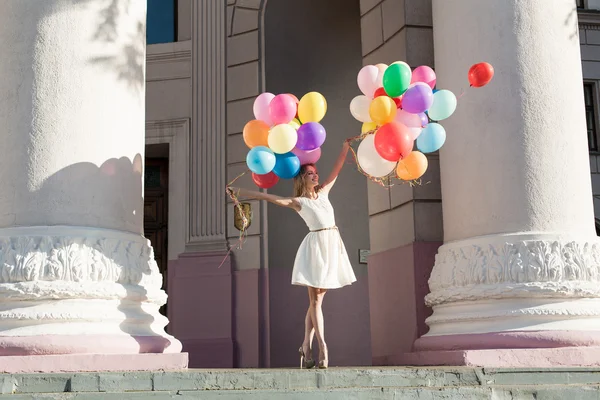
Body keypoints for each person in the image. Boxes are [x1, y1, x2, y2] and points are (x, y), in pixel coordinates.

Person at [229, 141, 356, 369]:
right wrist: (240, 192)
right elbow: (270, 198)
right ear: (302, 178)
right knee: (315, 300)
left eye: (316, 173)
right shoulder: (300, 202)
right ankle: (322, 346)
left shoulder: (324, 193)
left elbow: (336, 169)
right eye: (310, 174)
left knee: (315, 301)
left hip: (332, 245)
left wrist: (345, 147)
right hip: (315, 247)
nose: (315, 176)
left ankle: (305, 345)